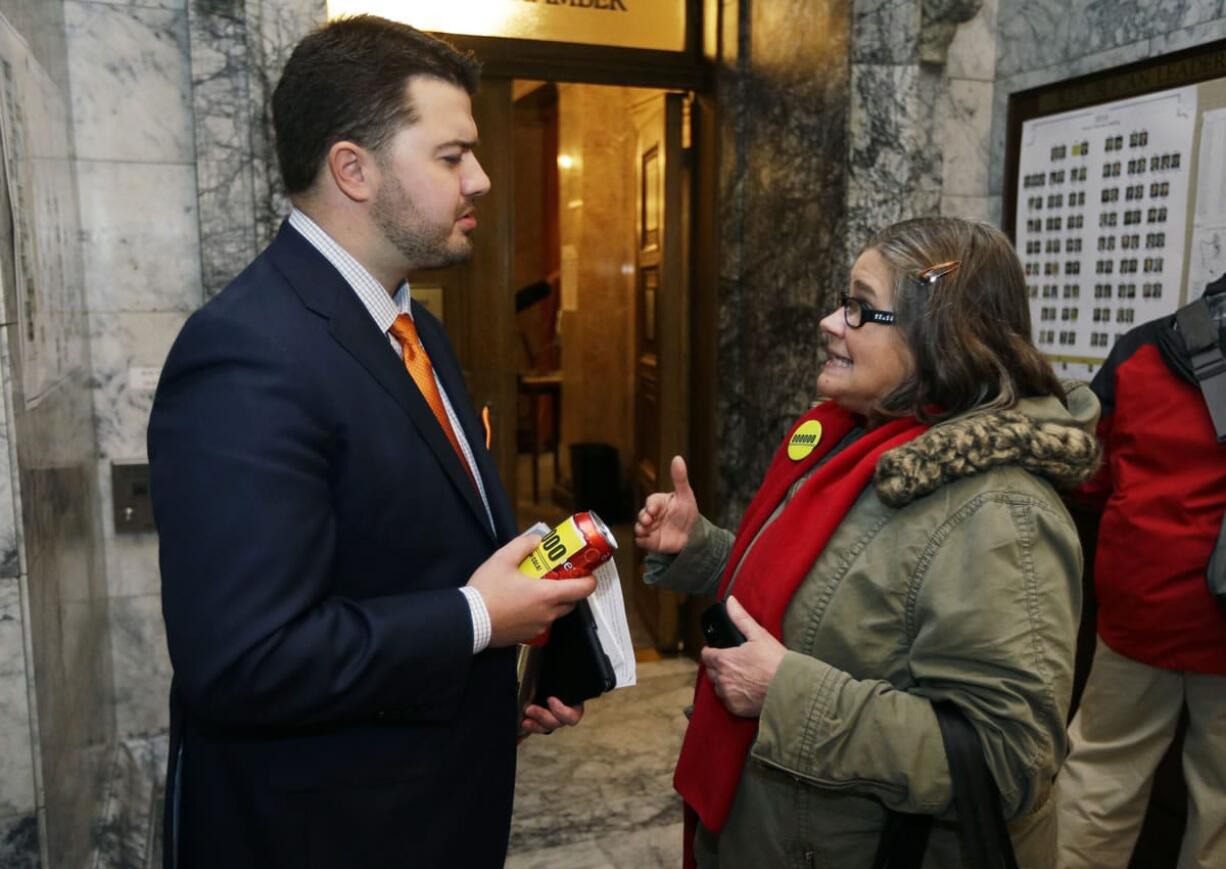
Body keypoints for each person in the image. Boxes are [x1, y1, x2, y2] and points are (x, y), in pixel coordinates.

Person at [148, 16, 595, 869]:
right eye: (452, 155)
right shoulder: (247, 352)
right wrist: (476, 617)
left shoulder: (416, 326)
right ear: (353, 169)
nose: (484, 178)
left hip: (431, 804)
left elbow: (408, 551)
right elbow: (247, 660)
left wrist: (504, 657)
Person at [635, 216, 1100, 868]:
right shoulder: (861, 438)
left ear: (938, 336)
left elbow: (1007, 764)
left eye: (860, 308)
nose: (830, 321)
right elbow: (828, 601)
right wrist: (703, 550)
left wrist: (786, 694)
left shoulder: (1001, 514)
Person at [1056, 278, 1226, 869]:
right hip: (1223, 616)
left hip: (1140, 606)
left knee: (1103, 765)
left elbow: (1089, 475)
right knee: (1220, 798)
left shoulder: (1143, 350)